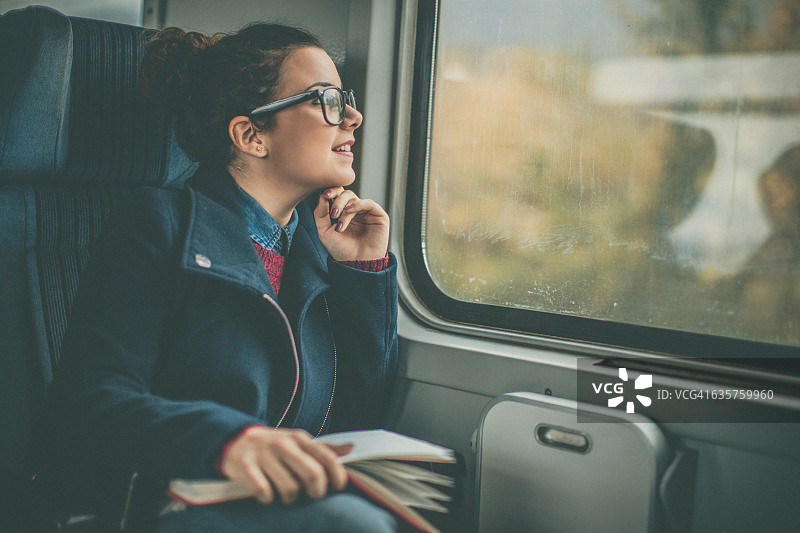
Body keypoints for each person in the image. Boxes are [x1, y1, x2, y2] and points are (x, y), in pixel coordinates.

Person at [40, 22, 399, 533]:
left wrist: (362, 271)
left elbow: (356, 417)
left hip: (280, 496)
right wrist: (227, 440)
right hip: (171, 498)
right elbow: (90, 401)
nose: (354, 116)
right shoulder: (158, 224)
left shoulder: (316, 249)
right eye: (328, 99)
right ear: (252, 135)